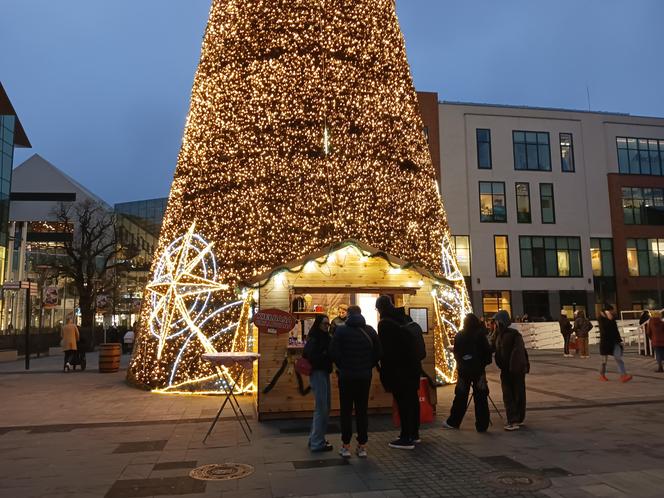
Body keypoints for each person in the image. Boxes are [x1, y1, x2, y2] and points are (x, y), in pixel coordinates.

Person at [329, 305, 380, 458]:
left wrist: (342, 365)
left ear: (349, 315)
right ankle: (362, 445)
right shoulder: (370, 330)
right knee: (362, 410)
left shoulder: (341, 330)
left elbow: (333, 352)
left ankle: (345, 446)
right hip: (364, 376)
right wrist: (367, 365)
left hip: (346, 376)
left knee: (345, 410)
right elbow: (378, 352)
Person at [376, 295, 422, 450]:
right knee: (412, 400)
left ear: (380, 308)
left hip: (398, 370)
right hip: (413, 367)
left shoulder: (385, 324)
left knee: (402, 402)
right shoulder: (405, 318)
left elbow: (387, 351)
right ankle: (414, 434)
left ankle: (405, 437)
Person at [444, 313, 492, 432]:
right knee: (481, 398)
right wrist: (483, 364)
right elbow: (487, 352)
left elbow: (456, 352)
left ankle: (454, 421)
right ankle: (482, 425)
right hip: (478, 370)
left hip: (464, 371)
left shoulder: (459, 335)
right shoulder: (480, 335)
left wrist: (461, 363)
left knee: (460, 397)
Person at [493, 310, 529, 431]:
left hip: (514, 370)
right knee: (515, 393)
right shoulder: (499, 334)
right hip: (508, 369)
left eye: (497, 321)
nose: (495, 323)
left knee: (511, 394)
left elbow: (518, 352)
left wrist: (514, 367)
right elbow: (491, 347)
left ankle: (514, 420)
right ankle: (517, 418)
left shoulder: (513, 334)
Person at [303, 315, 333, 452]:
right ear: (319, 324)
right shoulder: (316, 338)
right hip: (318, 373)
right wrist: (326, 355)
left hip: (323, 372)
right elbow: (311, 356)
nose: (327, 326)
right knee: (322, 408)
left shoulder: (321, 336)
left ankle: (315, 438)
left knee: (324, 407)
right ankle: (317, 442)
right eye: (325, 324)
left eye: (328, 323)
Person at [598, 305, 632, 382]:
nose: (612, 312)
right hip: (605, 343)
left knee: (618, 358)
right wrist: (609, 319)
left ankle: (623, 375)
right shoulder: (601, 319)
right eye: (611, 311)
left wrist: (619, 341)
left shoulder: (613, 318)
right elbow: (604, 330)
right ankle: (602, 375)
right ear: (607, 311)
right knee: (604, 361)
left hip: (615, 342)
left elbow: (615, 331)